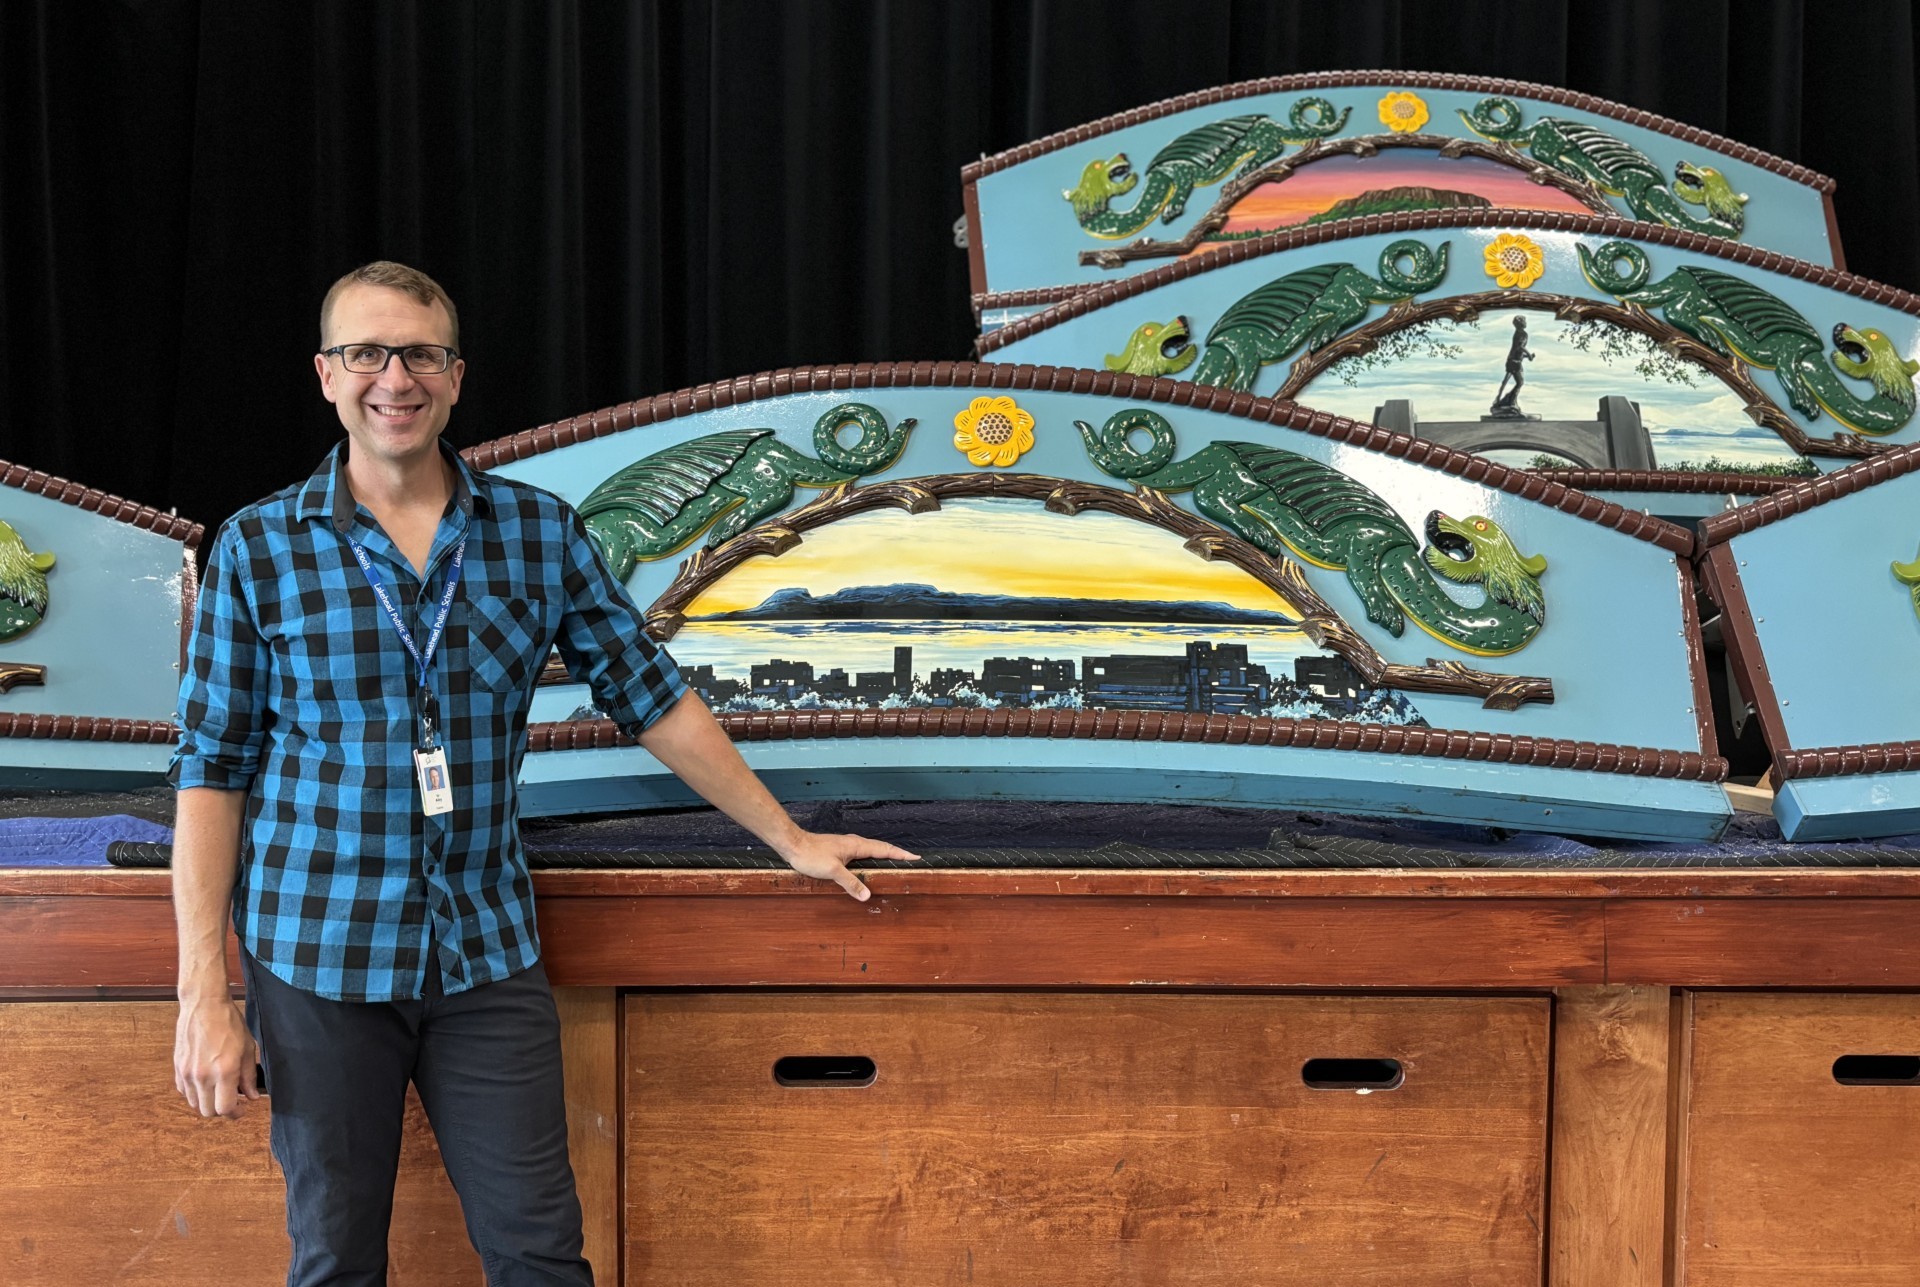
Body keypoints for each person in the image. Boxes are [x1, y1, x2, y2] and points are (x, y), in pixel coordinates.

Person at [170, 260, 916, 1286]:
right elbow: (212, 770)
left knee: (539, 1257)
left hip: (485, 956)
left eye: (422, 354)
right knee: (335, 1259)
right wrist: (203, 991)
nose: (397, 377)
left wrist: (787, 836)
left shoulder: (536, 533)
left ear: (457, 375)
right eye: (368, 353)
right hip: (317, 959)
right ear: (327, 376)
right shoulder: (258, 548)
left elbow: (651, 697)